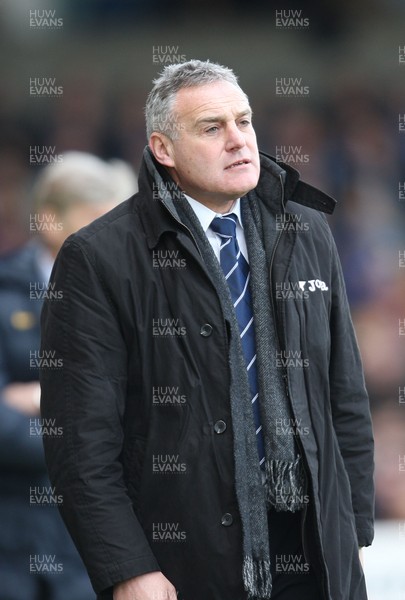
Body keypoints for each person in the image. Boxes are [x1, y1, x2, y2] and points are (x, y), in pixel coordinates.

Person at [40, 60, 374, 600]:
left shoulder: (306, 230)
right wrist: (127, 568)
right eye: (212, 128)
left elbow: (345, 397)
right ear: (163, 149)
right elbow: (81, 441)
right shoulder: (97, 257)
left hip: (316, 553)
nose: (238, 141)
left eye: (244, 122)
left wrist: (352, 530)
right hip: (182, 565)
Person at [0, 151, 136, 600]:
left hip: (98, 548)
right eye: (97, 219)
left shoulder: (134, 299)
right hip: (13, 547)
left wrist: (43, 398)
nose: (111, 236)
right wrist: (92, 429)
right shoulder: (4, 294)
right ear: (49, 219)